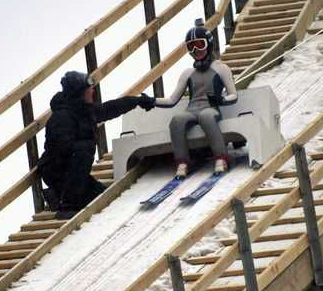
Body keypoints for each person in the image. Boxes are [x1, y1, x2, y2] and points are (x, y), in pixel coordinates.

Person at [38, 71, 155, 219]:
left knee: (100, 196)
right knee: (83, 149)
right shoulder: (63, 117)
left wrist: (137, 101)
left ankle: (57, 196)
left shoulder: (82, 110)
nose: (93, 90)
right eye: (89, 88)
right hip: (57, 171)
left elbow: (109, 108)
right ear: (79, 92)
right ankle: (67, 205)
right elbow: (62, 150)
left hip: (74, 171)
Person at [154, 19, 238, 179]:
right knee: (177, 120)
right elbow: (172, 100)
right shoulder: (188, 73)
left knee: (206, 116)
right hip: (192, 110)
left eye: (200, 44)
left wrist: (222, 100)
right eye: (191, 46)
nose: (196, 50)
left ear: (209, 43)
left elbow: (233, 94)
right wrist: (151, 101)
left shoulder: (221, 68)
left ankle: (221, 158)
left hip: (210, 108)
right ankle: (182, 162)